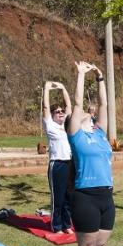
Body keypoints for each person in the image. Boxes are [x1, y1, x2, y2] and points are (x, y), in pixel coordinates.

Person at [67, 61, 115, 246]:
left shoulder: (100, 133)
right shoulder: (76, 135)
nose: (89, 112)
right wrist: (80, 75)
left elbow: (105, 105)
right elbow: (75, 105)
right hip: (85, 196)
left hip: (106, 196)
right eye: (84, 113)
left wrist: (99, 78)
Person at [42, 81, 74, 234]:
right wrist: (47, 89)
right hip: (57, 165)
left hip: (69, 164)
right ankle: (56, 226)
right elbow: (46, 108)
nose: (61, 112)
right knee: (58, 198)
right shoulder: (50, 125)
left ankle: (67, 225)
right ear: (53, 115)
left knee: (69, 197)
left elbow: (69, 105)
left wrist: (63, 88)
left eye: (62, 111)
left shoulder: (66, 125)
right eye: (57, 111)